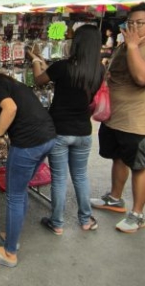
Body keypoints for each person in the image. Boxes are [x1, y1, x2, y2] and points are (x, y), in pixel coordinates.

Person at [0, 56, 56, 268]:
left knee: (14, 195)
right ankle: (11, 236)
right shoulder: (8, 81)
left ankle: (9, 253)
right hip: (47, 137)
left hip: (29, 143)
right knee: (20, 190)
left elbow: (10, 109)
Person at [28, 25, 104, 234]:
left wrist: (35, 60)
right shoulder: (99, 70)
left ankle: (57, 223)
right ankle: (86, 220)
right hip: (83, 131)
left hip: (60, 130)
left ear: (76, 43)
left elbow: (39, 80)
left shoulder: (63, 67)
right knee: (80, 176)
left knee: (59, 178)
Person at [90, 2, 145, 233]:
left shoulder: (134, 46)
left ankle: (138, 214)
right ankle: (115, 198)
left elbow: (141, 78)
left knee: (139, 167)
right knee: (117, 158)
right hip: (115, 116)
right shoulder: (125, 45)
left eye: (139, 23)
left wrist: (132, 47)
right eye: (130, 22)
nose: (133, 27)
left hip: (136, 121)